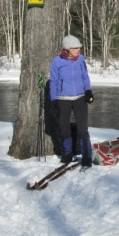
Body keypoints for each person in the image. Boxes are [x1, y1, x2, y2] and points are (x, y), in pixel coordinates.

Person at [49, 35, 94, 168]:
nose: (78, 50)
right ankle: (67, 155)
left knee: (83, 129)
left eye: (79, 47)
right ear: (67, 49)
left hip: (80, 98)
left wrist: (88, 91)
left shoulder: (80, 59)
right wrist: (54, 100)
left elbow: (85, 76)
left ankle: (87, 157)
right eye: (75, 47)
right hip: (63, 99)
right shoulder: (57, 61)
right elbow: (54, 81)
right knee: (64, 129)